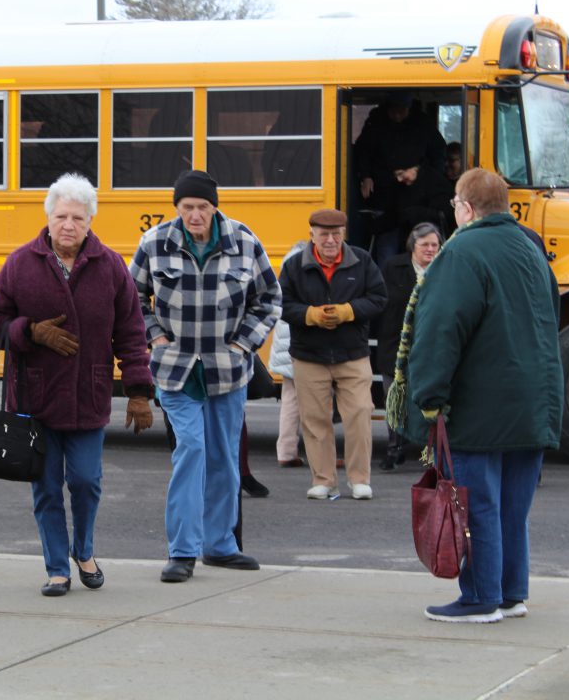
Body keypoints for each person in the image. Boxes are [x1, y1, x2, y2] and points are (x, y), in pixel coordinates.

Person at [0, 174, 154, 597]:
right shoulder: (21, 263)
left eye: (77, 217)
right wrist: (30, 332)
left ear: (91, 221)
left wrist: (138, 390)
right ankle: (57, 567)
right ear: (48, 219)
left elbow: (130, 330)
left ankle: (84, 550)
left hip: (88, 394)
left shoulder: (110, 265)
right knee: (45, 487)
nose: (68, 225)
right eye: (61, 216)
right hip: (34, 398)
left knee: (86, 480)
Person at [399, 169, 561, 623]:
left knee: (474, 504)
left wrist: (428, 400)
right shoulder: (530, 249)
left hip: (480, 405)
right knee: (513, 507)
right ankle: (511, 592)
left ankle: (480, 597)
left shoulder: (462, 251)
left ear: (466, 208)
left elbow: (440, 330)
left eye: (454, 203)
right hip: (533, 404)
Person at [131, 170, 281, 582]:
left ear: (215, 206)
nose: (195, 215)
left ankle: (221, 545)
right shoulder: (154, 242)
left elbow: (269, 299)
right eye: (187, 208)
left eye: (202, 207)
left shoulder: (244, 240)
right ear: (176, 208)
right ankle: (182, 550)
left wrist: (243, 345)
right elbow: (130, 298)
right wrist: (155, 336)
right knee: (191, 451)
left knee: (224, 460)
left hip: (228, 369)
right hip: (175, 370)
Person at [279, 208, 387, 501]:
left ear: (344, 234)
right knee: (314, 420)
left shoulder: (362, 261)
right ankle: (323, 480)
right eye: (324, 234)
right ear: (311, 233)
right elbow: (282, 304)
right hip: (308, 355)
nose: (330, 240)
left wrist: (349, 311)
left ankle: (359, 479)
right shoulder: (293, 266)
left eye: (335, 234)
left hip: (353, 353)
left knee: (360, 414)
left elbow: (379, 298)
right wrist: (310, 315)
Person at [375, 223, 442, 471]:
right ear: (412, 246)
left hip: (431, 346)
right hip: (395, 342)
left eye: (435, 245)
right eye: (425, 244)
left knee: (430, 403)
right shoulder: (393, 267)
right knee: (394, 398)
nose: (431, 249)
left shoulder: (445, 267)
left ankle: (431, 455)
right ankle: (394, 450)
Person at [354, 93, 447, 266]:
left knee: (421, 248)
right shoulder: (375, 123)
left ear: (410, 108)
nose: (397, 116)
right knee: (386, 251)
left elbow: (439, 157)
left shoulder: (423, 124)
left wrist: (417, 171)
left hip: (418, 202)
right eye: (393, 111)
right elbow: (362, 152)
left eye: (402, 111)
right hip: (384, 197)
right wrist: (366, 176)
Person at [269, 241, 307, 468]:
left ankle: (286, 450)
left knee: (290, 400)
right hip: (300, 343)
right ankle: (319, 452)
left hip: (285, 344)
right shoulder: (304, 265)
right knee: (316, 402)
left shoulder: (288, 266)